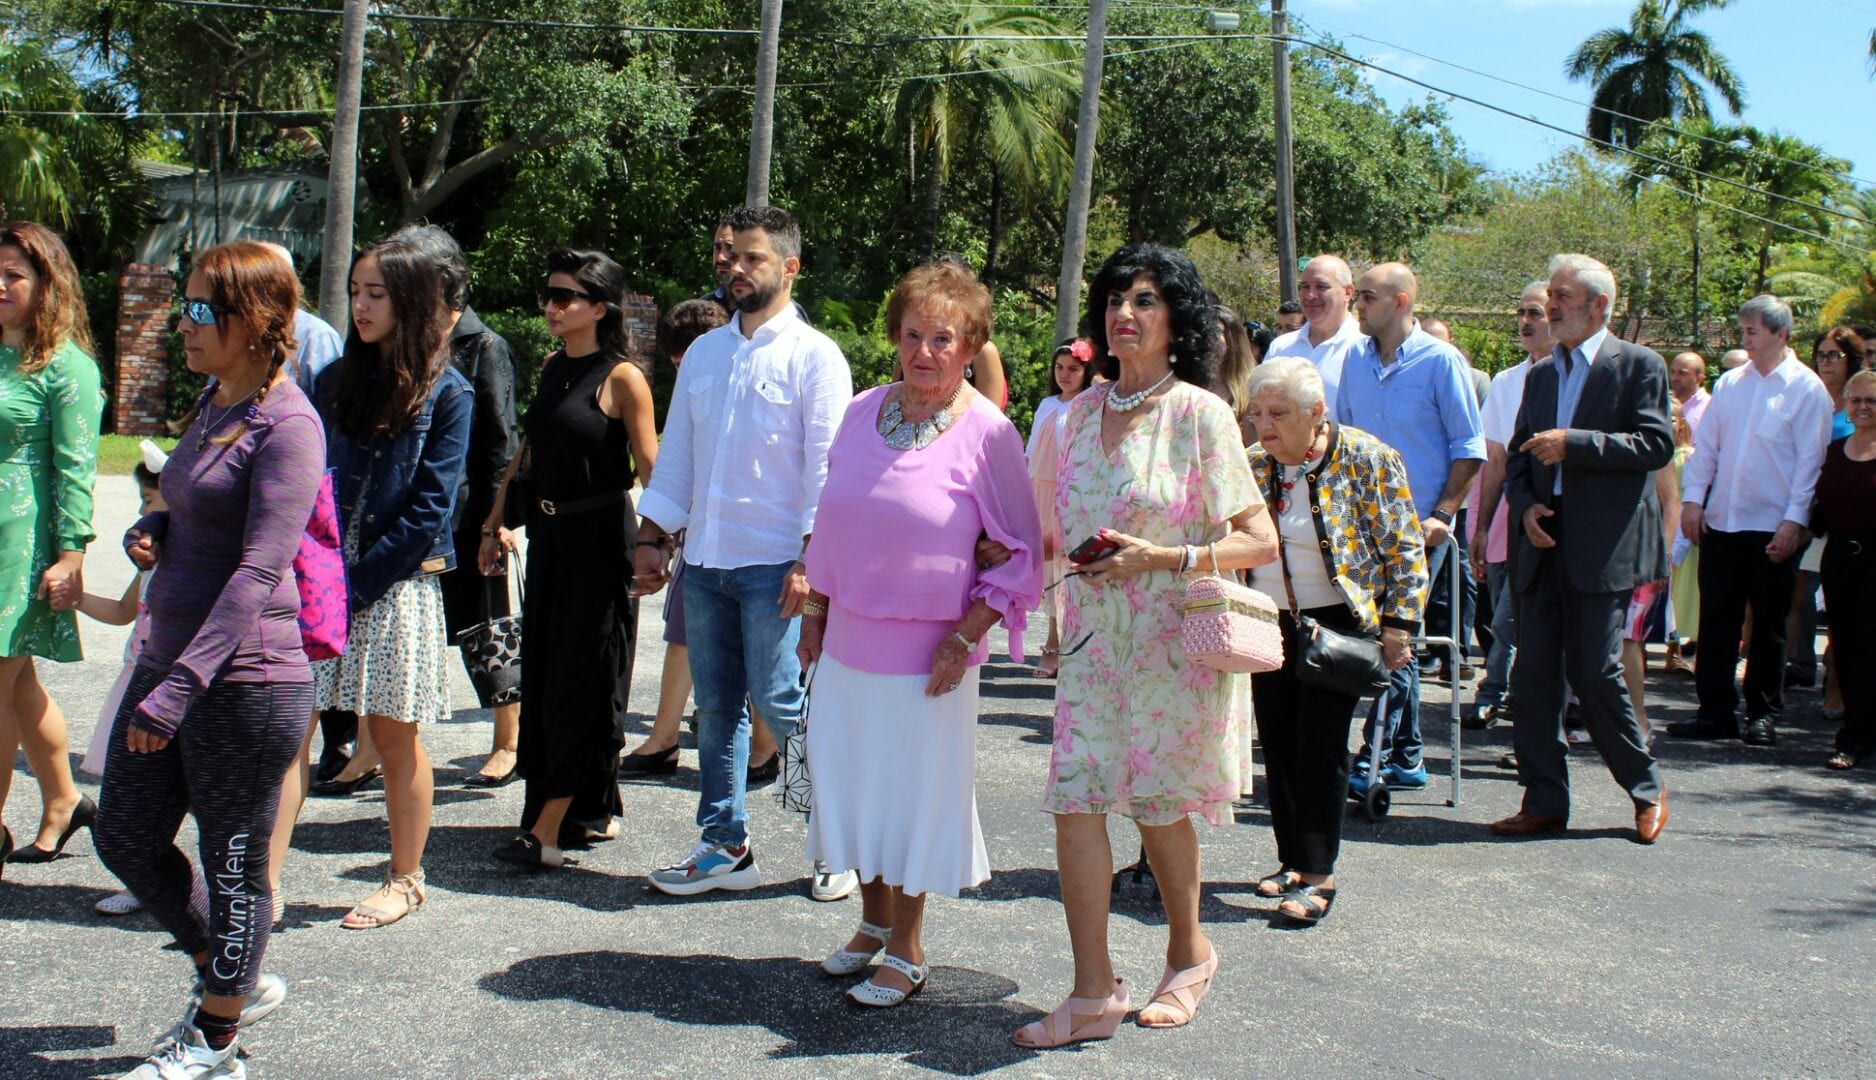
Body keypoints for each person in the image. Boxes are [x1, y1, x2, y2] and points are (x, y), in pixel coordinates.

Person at [1014, 243, 1278, 1049]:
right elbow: (1053, 529)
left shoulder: (1199, 415)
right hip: (1095, 643)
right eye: (1116, 299)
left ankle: (1188, 953)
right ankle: (1092, 992)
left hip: (1172, 645)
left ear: (1176, 324)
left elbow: (1257, 539)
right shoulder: (1076, 415)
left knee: (1160, 808)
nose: (1124, 313)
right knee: (1076, 801)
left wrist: (1165, 557)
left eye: (1146, 301)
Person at [94, 241, 325, 1076]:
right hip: (170, 663)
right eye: (184, 307)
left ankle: (217, 1035)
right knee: (124, 837)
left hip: (243, 682)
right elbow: (192, 508)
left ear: (259, 321)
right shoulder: (215, 399)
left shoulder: (289, 423)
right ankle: (227, 973)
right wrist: (157, 529)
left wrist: (180, 687)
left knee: (235, 863)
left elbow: (263, 567)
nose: (182, 325)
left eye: (201, 310)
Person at [798, 261, 1043, 1007]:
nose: (925, 351)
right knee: (854, 787)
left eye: (944, 337)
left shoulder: (989, 431)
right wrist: (815, 612)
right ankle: (872, 925)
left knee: (910, 798)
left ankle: (907, 946)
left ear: (972, 345)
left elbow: (1022, 551)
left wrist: (966, 635)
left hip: (930, 649)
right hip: (847, 639)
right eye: (913, 334)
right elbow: (831, 520)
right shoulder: (862, 408)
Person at [631, 205, 857, 901]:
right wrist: (652, 538)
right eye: (731, 258)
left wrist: (810, 561)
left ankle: (839, 837)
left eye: (753, 259)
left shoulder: (814, 356)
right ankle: (723, 843)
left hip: (775, 563)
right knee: (719, 707)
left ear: (790, 267)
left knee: (782, 701)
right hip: (706, 561)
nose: (735, 269)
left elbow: (830, 468)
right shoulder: (704, 353)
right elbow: (679, 459)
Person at [302, 234, 474, 929]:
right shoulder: (332, 379)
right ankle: (262, 881)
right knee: (292, 731)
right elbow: (305, 482)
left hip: (393, 585)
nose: (362, 305)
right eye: (355, 292)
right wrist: (319, 577)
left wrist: (356, 583)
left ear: (408, 301)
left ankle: (405, 879)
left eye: (377, 293)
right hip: (318, 582)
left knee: (393, 735)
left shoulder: (449, 389)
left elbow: (432, 505)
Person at [484, 249, 658, 869]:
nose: (552, 307)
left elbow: (650, 466)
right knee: (549, 670)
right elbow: (526, 450)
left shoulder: (623, 378)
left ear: (599, 308)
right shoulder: (554, 366)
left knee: (584, 675)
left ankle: (548, 826)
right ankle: (588, 806)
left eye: (565, 297)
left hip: (600, 536)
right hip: (551, 539)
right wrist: (494, 522)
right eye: (548, 295)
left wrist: (657, 543)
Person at [1492, 253, 1672, 843]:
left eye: (1563, 296)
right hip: (1544, 540)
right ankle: (1543, 801)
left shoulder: (1638, 364)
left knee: (1595, 672)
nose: (1552, 306)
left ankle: (1645, 789)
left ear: (1599, 305)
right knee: (1534, 677)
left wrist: (1576, 443)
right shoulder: (1542, 374)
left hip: (1605, 543)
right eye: (1551, 295)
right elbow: (1520, 456)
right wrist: (1525, 509)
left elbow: (1655, 443)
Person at [1243, 357, 1425, 924]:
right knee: (1277, 744)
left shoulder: (1369, 457)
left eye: (1279, 413)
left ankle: (1318, 876)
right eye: (1257, 414)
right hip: (1269, 621)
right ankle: (1291, 860)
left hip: (1341, 623)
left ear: (1317, 412)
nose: (1264, 426)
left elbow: (1404, 546)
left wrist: (1399, 626)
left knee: (1320, 748)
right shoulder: (1253, 464)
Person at [1335, 262, 1484, 794]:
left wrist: (1444, 514)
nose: (1359, 305)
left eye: (1369, 297)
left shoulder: (1442, 361)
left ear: (1400, 302)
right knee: (1383, 639)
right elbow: (1344, 440)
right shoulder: (1354, 359)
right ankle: (1408, 755)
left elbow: (1470, 448)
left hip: (1420, 531)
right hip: (1359, 528)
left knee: (1397, 637)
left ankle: (1371, 755)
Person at [1671, 295, 1834, 748]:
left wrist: (1793, 521)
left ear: (1781, 334)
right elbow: (1709, 450)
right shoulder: (1731, 384)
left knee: (1767, 625)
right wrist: (1693, 502)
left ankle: (1762, 714)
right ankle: (1715, 711)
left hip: (1772, 526)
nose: (1746, 340)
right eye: (1743, 331)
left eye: (1753, 332)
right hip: (1723, 520)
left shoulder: (1806, 388)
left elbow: (1809, 465)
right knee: (1717, 620)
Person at [405, 227, 523, 788]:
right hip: (418, 513)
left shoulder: (484, 346)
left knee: (488, 627)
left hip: (471, 513)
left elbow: (501, 441)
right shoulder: (409, 340)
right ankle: (385, 744)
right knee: (411, 630)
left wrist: (495, 523)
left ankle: (509, 739)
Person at [0, 221, 101, 871]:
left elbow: (77, 467)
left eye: (13, 274)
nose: (0, 284)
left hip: (20, 551)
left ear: (48, 284)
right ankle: (64, 800)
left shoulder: (67, 367)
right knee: (16, 686)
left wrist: (72, 553)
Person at [623, 298, 731, 775]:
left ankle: (669, 737)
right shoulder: (712, 374)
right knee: (686, 634)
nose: (681, 370)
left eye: (682, 360)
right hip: (701, 537)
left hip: (732, 540)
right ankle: (666, 736)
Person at [76, 443, 166, 917]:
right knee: (136, 795)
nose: (140, 514)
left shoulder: (190, 565)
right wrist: (76, 598)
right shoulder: (148, 567)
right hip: (134, 683)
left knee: (179, 795)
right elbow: (120, 612)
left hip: (171, 691)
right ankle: (144, 880)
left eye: (149, 501)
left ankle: (190, 884)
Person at [1466, 281, 1551, 729]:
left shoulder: (1580, 378)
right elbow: (1494, 461)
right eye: (1522, 312)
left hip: (1555, 526)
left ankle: (1516, 697)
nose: (1526, 321)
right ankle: (1498, 693)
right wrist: (1479, 529)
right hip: (1505, 527)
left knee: (1522, 623)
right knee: (1502, 619)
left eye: (1536, 312)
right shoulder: (1507, 381)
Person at [1784, 328, 1864, 692]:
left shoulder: (1861, 402)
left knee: (1840, 603)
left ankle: (1836, 678)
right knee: (1798, 592)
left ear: (1851, 358)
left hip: (1849, 514)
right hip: (1810, 507)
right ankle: (1800, 663)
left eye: (1834, 355)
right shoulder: (1809, 396)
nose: (1826, 362)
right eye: (1820, 354)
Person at [1815, 370, 1876, 769]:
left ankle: (1854, 741)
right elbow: (1819, 509)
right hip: (1838, 560)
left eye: (1871, 400)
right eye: (1856, 399)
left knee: (1870, 652)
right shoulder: (1835, 451)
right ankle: (1859, 731)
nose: (1863, 407)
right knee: (1847, 649)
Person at [1029, 339, 1096, 679]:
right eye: (1060, 368)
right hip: (1040, 490)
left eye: (1074, 368)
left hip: (1068, 491)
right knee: (1045, 569)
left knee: (1065, 567)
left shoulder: (1088, 404)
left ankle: (1058, 644)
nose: (1065, 375)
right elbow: (1031, 451)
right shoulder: (1046, 404)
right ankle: (1052, 637)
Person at [1619, 401, 1683, 744]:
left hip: (1643, 555)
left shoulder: (1654, 446)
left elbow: (1671, 501)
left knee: (1629, 639)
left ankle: (1639, 722)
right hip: (1609, 555)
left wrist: (1664, 553)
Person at [1265, 255, 1363, 416]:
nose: (1310, 296)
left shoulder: (1365, 348)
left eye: (1321, 286)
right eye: (1304, 286)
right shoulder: (1281, 347)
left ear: (1348, 292)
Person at [1212, 304, 1259, 439]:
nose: (1206, 339)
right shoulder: (1186, 383)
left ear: (1233, 339)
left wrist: (1244, 458)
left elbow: (1262, 447)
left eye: (1215, 332)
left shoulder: (1255, 385)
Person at [1669, 351, 1711, 438]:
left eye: (1682, 373)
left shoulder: (1710, 406)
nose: (1674, 378)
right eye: (1673, 372)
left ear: (1699, 378)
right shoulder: (1662, 402)